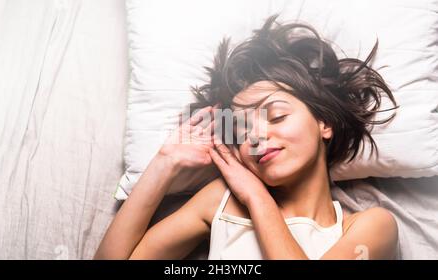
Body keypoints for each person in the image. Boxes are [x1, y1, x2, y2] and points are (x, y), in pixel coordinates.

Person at [94, 15, 399, 260]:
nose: (255, 137)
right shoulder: (220, 201)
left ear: (325, 123)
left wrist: (257, 198)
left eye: (277, 116)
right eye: (241, 131)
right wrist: (165, 162)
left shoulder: (370, 226)